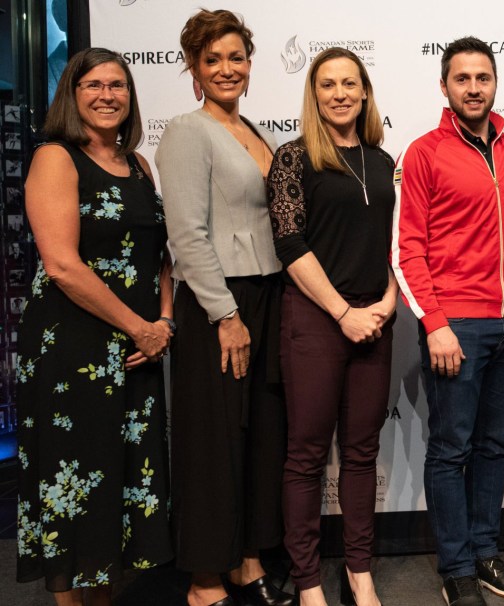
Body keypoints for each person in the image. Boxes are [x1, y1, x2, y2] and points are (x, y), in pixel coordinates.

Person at [16, 46, 173, 604]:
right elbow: (61, 264)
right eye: (94, 85)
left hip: (136, 351)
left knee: (121, 481)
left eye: (118, 86)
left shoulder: (139, 165)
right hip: (71, 348)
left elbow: (159, 256)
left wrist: (164, 323)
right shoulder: (55, 157)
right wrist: (140, 326)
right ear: (73, 95)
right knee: (74, 483)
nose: (108, 95)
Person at [392, 36, 504, 606]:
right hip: (458, 326)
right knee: (451, 447)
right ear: (445, 87)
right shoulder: (424, 152)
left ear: (495, 81)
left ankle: (485, 552)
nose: (474, 88)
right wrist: (435, 322)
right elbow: (407, 249)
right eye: (463, 79)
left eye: (483, 77)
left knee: (495, 445)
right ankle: (455, 566)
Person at [155, 10, 290, 606]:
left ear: (250, 65)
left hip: (269, 297)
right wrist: (224, 315)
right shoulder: (188, 130)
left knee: (261, 434)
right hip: (219, 305)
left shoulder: (256, 133)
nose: (226, 69)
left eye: (236, 58)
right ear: (193, 68)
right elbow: (186, 234)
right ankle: (206, 578)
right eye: (212, 60)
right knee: (212, 442)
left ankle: (248, 557)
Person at [268, 47, 398, 606]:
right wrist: (342, 313)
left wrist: (388, 302)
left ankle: (359, 572)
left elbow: (392, 245)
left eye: (350, 83)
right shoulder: (294, 159)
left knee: (363, 452)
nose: (340, 93)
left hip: (376, 319)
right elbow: (289, 245)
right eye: (328, 85)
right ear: (314, 94)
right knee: (306, 455)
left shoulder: (383, 159)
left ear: (365, 91)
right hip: (318, 321)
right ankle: (308, 582)